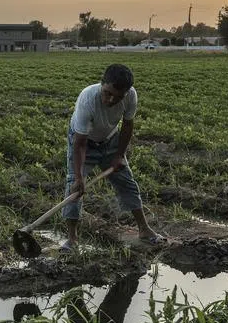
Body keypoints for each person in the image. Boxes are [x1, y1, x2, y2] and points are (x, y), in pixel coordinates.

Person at [62, 63, 164, 251]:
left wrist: (119, 155)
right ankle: (72, 239)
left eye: (118, 97)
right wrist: (79, 177)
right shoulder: (88, 99)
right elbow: (80, 143)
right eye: (108, 93)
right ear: (102, 84)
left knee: (127, 181)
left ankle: (144, 229)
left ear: (126, 93)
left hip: (110, 140)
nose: (111, 100)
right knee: (74, 189)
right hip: (84, 141)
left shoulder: (131, 95)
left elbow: (127, 126)